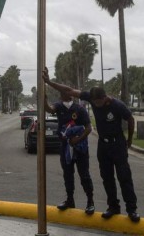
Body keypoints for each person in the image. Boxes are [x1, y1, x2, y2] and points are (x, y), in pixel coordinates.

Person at [42, 67, 141, 223]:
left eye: (98, 102)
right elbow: (68, 90)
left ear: (105, 98)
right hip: (103, 145)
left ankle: (132, 209)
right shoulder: (90, 97)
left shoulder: (117, 105)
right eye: (93, 102)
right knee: (107, 178)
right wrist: (48, 82)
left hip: (118, 144)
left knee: (124, 177)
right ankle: (113, 207)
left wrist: (129, 140)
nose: (96, 105)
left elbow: (130, 119)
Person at [43, 85, 95, 215]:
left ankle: (90, 202)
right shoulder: (59, 106)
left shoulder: (79, 109)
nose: (69, 93)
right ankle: (70, 200)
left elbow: (89, 128)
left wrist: (78, 139)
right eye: (65, 91)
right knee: (67, 175)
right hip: (65, 148)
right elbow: (49, 109)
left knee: (84, 175)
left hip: (80, 148)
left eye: (68, 91)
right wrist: (44, 99)